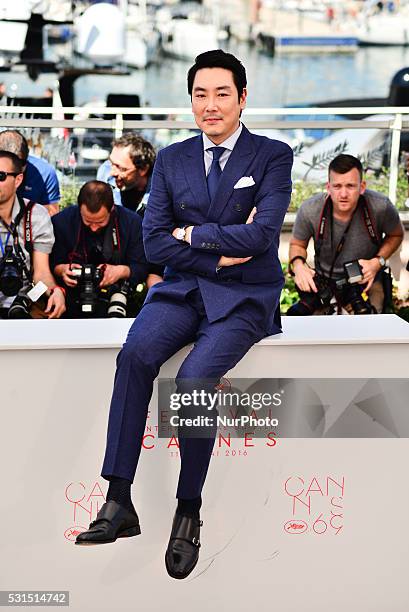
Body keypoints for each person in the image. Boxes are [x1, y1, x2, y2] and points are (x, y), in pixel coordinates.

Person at [75, 49, 293, 579]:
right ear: (191, 100)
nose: (210, 105)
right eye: (200, 94)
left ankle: (188, 510)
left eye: (222, 94)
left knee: (195, 378)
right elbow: (152, 241)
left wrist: (192, 234)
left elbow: (263, 237)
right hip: (181, 291)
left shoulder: (272, 155)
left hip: (244, 299)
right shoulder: (172, 160)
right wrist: (216, 250)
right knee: (134, 357)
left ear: (243, 98)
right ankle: (119, 498)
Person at [287, 154, 404, 315]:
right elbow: (297, 244)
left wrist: (377, 262)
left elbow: (396, 235)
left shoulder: (380, 206)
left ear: (362, 186)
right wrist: (299, 265)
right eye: (337, 186)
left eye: (350, 186)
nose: (343, 194)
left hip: (365, 280)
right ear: (328, 187)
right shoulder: (310, 209)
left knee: (373, 327)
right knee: (309, 328)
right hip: (326, 284)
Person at [51, 180, 149, 318]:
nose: (94, 227)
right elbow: (48, 264)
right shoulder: (62, 222)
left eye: (100, 222)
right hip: (70, 301)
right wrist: (62, 270)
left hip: (118, 301)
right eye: (88, 221)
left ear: (112, 209)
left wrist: (122, 271)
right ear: (79, 208)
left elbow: (143, 267)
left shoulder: (132, 223)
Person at [0, 150, 66, 319]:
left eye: (1, 176)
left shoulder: (35, 214)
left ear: (18, 180)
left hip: (24, 305)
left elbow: (41, 273)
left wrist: (55, 291)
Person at [97, 133, 163, 287]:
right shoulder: (106, 173)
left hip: (150, 253)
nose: (112, 172)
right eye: (111, 163)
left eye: (120, 167)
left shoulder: (162, 185)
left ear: (143, 169)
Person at [0, 130, 60, 215]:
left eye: (18, 164)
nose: (12, 169)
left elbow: (51, 215)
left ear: (26, 158)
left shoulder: (45, 173)